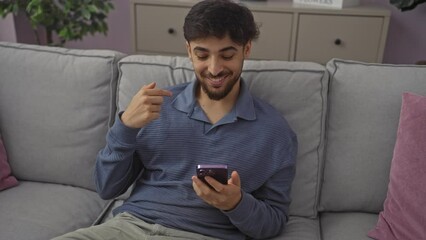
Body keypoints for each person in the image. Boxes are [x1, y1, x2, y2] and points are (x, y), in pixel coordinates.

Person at [53, 0, 297, 239]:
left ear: (246, 49)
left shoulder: (274, 132)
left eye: (227, 55)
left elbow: (273, 223)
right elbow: (107, 188)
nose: (214, 69)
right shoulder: (155, 108)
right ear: (189, 51)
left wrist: (237, 203)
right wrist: (125, 127)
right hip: (131, 227)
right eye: (202, 55)